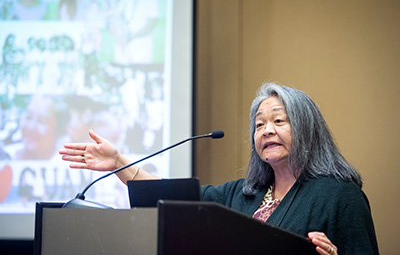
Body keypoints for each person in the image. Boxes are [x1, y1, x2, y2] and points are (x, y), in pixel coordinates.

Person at [59, 83, 379, 255]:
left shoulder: (341, 196)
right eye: (259, 125)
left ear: (307, 128)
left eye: (278, 121)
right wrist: (119, 164)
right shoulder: (243, 194)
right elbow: (176, 198)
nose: (266, 130)